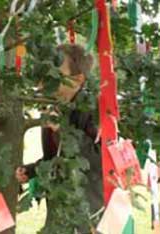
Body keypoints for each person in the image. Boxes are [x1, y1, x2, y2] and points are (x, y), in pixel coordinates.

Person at [16, 44, 103, 233]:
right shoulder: (55, 106)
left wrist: (61, 130)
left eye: (57, 74)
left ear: (78, 79)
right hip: (58, 212)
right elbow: (56, 158)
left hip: (88, 215)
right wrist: (31, 170)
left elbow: (99, 160)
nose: (49, 80)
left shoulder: (95, 109)